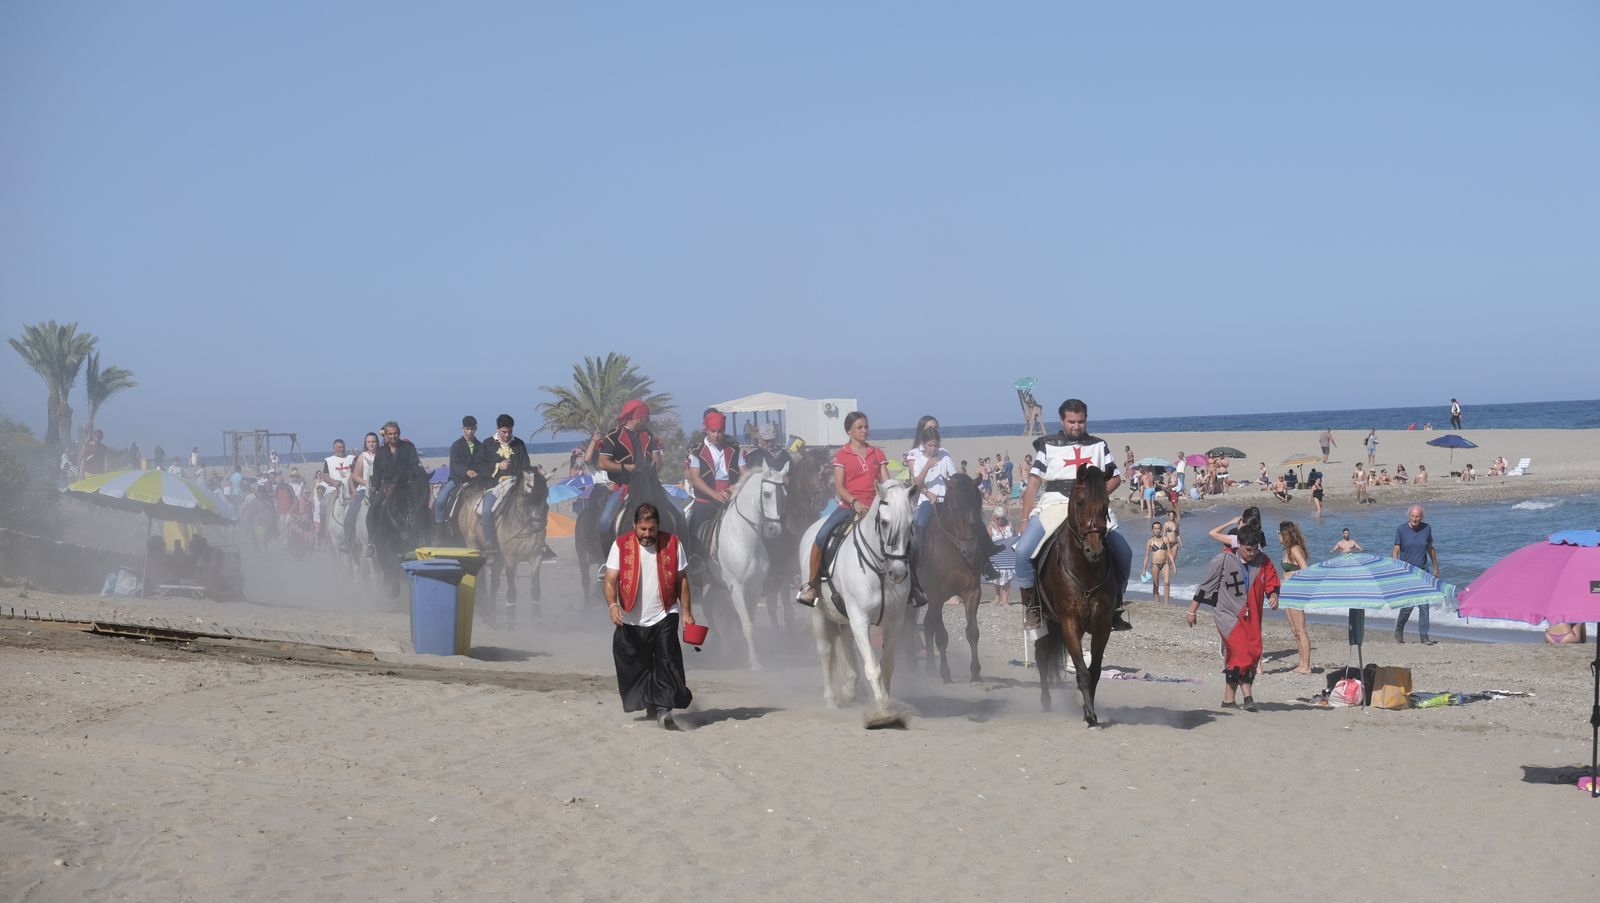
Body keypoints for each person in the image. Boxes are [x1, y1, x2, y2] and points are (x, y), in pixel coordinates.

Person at [1012, 399, 1132, 634]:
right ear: (1062, 421)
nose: (1076, 426)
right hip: (1054, 504)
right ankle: (1032, 606)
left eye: (1081, 421)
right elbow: (1034, 483)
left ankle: (1115, 602)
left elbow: (1116, 478)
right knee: (1023, 551)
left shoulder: (1098, 445)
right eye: (1071, 422)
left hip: (1091, 509)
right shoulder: (1047, 445)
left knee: (1124, 552)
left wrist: (1095, 497)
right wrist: (1025, 519)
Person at [604, 503, 695, 730]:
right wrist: (612, 604)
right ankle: (651, 702)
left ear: (658, 527)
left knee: (667, 660)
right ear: (635, 525)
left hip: (665, 611)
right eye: (643, 529)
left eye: (652, 529)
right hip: (631, 616)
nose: (647, 534)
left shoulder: (672, 543)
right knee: (603, 519)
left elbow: (682, 579)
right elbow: (610, 580)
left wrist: (686, 611)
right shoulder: (620, 544)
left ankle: (665, 708)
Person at [796, 411, 889, 606]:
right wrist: (854, 502)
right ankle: (812, 586)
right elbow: (839, 486)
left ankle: (912, 586)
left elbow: (886, 482)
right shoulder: (842, 455)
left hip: (875, 507)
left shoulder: (877, 454)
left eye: (866, 427)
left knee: (905, 538)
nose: (864, 430)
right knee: (821, 538)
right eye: (859, 427)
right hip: (849, 507)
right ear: (849, 431)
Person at [1187, 526, 1280, 712]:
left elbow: (1272, 580)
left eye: (1255, 549)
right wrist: (1192, 611)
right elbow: (1205, 586)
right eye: (1248, 549)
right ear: (1239, 545)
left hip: (1252, 615)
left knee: (1252, 653)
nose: (1252, 553)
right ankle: (1248, 697)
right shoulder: (1222, 560)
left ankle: (1228, 700)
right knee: (1241, 652)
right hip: (1227, 614)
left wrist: (1273, 595)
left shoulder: (1263, 560)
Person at [596, 399, 663, 542]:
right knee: (604, 522)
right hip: (624, 488)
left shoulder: (649, 435)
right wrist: (628, 467)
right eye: (647, 417)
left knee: (678, 513)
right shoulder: (613, 436)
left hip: (650, 487)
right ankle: (606, 560)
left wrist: (653, 465)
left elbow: (658, 463)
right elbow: (603, 463)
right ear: (638, 418)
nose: (648, 420)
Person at [685, 408, 745, 544]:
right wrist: (714, 494)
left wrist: (731, 489)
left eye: (720, 432)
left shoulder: (735, 450)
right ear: (706, 430)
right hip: (705, 501)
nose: (716, 435)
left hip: (731, 497)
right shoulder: (697, 450)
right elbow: (695, 478)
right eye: (713, 431)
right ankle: (696, 559)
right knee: (696, 533)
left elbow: (745, 475)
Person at [478, 414, 531, 549]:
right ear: (497, 429)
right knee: (487, 512)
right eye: (504, 431)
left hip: (516, 486)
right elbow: (480, 466)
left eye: (510, 431)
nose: (507, 435)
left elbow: (526, 465)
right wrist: (498, 466)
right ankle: (489, 543)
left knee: (533, 507)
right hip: (494, 486)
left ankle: (537, 542)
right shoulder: (487, 444)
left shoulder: (519, 444)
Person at [1392, 504, 1440, 644]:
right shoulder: (1401, 529)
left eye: (1417, 516)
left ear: (1422, 517)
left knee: (1424, 606)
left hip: (1423, 572)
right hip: (1407, 573)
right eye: (1412, 516)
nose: (1415, 519)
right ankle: (1399, 628)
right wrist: (1396, 565)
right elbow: (1396, 550)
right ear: (1409, 516)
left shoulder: (1426, 528)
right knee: (1408, 607)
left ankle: (1424, 637)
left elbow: (1430, 549)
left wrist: (1436, 568)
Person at [434, 416, 484, 527]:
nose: (470, 432)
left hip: (476, 481)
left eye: (472, 429)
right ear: (463, 429)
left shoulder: (481, 446)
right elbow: (454, 464)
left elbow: (483, 463)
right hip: (457, 480)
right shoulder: (456, 446)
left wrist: (477, 473)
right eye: (467, 429)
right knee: (440, 501)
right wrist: (466, 471)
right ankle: (438, 529)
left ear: (475, 429)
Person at [1278, 521, 1312, 674]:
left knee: (1300, 629)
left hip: (1296, 591)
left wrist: (1289, 575)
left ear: (1285, 534)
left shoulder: (1294, 549)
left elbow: (1305, 569)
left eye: (1279, 533)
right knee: (1294, 629)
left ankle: (1307, 665)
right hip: (1287, 591)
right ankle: (1301, 663)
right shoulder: (1286, 550)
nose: (1278, 536)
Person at [1141, 521, 1174, 607]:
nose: (1157, 530)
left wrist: (1174, 564)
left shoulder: (1165, 539)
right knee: (1156, 585)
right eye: (1155, 528)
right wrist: (1143, 569)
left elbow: (1169, 553)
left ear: (1161, 529)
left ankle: (1166, 603)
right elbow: (1147, 556)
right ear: (1152, 530)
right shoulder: (1150, 542)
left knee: (1167, 582)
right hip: (1155, 565)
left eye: (1159, 528)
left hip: (1165, 564)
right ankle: (1157, 603)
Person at [987, 506, 1015, 605]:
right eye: (997, 518)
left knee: (1008, 577)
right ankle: (997, 597)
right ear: (993, 517)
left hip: (1009, 556)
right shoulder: (990, 527)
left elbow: (1014, 537)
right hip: (996, 556)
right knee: (997, 578)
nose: (1000, 520)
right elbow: (987, 542)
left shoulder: (1010, 524)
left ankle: (1005, 600)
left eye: (1002, 518)